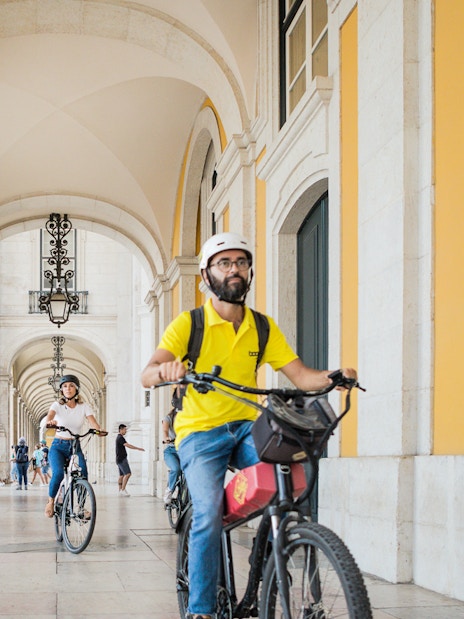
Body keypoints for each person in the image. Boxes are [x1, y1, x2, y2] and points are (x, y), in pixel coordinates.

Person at [141, 231, 357, 619]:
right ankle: (201, 610)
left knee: (292, 473)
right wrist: (167, 369)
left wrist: (334, 376)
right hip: (200, 434)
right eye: (224, 263)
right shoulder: (189, 324)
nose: (234, 269)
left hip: (245, 427)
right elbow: (147, 373)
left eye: (240, 262)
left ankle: (275, 555)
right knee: (208, 514)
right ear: (207, 275)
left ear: (249, 271)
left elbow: (302, 376)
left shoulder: (261, 326)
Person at [44, 374, 107, 518]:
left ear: (76, 389)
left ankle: (80, 507)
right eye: (65, 386)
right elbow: (49, 418)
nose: (68, 388)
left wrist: (99, 430)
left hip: (75, 446)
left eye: (71, 385)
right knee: (59, 473)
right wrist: (50, 423)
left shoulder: (84, 407)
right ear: (61, 390)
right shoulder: (57, 406)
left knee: (83, 473)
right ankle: (51, 500)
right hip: (58, 446)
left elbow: (93, 422)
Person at [116, 424, 145, 497]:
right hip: (122, 459)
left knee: (121, 475)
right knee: (128, 473)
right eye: (125, 429)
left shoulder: (118, 437)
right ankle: (123, 490)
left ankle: (120, 490)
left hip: (119, 459)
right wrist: (138, 448)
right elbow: (128, 445)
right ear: (121, 429)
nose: (126, 431)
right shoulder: (120, 438)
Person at [162, 405, 181, 504]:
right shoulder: (168, 418)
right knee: (176, 468)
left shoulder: (189, 417)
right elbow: (165, 430)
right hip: (171, 450)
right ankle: (169, 490)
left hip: (185, 450)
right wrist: (166, 437)